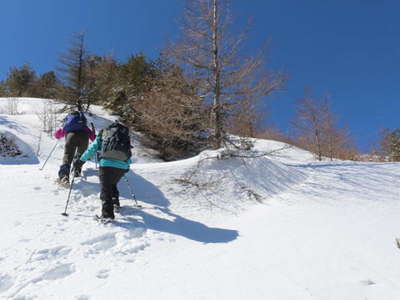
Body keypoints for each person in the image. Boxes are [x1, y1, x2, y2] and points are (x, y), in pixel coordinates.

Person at [76, 120, 132, 220]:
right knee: (112, 183)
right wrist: (127, 166)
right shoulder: (124, 135)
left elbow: (92, 148)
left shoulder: (104, 133)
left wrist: (81, 161)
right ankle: (115, 202)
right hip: (122, 166)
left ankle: (107, 215)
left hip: (106, 164)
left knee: (105, 188)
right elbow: (128, 152)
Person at [54, 111, 95, 185]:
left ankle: (64, 176)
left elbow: (57, 135)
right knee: (81, 155)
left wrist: (59, 134)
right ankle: (77, 169)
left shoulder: (68, 125)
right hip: (84, 137)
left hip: (71, 136)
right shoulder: (84, 127)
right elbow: (93, 137)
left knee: (68, 155)